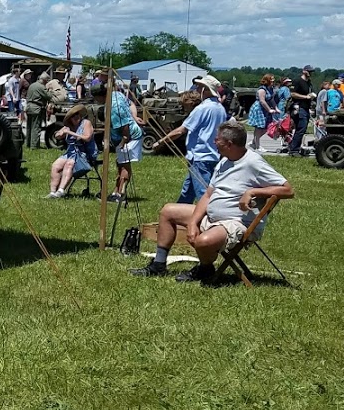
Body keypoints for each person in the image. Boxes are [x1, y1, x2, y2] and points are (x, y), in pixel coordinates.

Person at [131, 122, 294, 284]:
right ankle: (158, 265)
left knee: (202, 242)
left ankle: (205, 269)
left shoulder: (253, 163)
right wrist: (193, 223)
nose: (214, 142)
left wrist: (252, 192)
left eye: (217, 139)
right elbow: (208, 195)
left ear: (229, 144)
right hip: (212, 217)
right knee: (168, 211)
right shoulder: (224, 161)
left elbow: (288, 190)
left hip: (236, 223)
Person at [155, 74, 228, 204]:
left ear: (206, 90)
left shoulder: (202, 108)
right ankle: (178, 213)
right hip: (213, 156)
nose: (197, 89)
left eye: (200, 87)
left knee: (203, 195)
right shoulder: (220, 108)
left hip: (200, 157)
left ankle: (207, 216)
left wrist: (161, 141)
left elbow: (181, 130)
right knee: (187, 192)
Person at [48, 104, 96, 197]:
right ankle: (52, 192)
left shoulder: (86, 123)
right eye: (73, 116)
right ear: (70, 119)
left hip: (84, 153)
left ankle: (61, 191)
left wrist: (70, 133)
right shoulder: (68, 126)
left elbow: (87, 138)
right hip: (70, 153)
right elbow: (57, 135)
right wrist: (60, 134)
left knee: (69, 164)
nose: (76, 117)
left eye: (77, 114)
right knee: (55, 166)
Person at [108, 82, 144, 202]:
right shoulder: (118, 94)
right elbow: (131, 103)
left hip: (130, 137)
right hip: (124, 137)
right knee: (120, 163)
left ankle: (121, 194)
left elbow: (125, 128)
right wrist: (134, 116)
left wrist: (124, 141)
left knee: (124, 165)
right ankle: (116, 191)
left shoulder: (115, 105)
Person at [246, 74, 278, 150]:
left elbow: (271, 99)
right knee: (259, 127)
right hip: (259, 109)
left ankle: (254, 142)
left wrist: (276, 108)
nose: (273, 81)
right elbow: (262, 101)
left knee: (267, 127)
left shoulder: (271, 89)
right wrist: (269, 110)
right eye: (271, 79)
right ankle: (257, 146)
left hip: (265, 109)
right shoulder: (262, 90)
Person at [287, 66, 314, 155]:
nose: (310, 73)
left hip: (306, 108)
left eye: (311, 71)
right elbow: (293, 94)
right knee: (300, 128)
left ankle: (295, 147)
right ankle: (294, 149)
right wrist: (305, 97)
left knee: (302, 129)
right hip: (298, 107)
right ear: (304, 71)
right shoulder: (297, 81)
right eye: (309, 71)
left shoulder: (309, 83)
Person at [24, 69, 47, 148]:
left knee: (29, 126)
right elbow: (48, 96)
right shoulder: (41, 87)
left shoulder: (32, 85)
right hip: (36, 108)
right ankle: (34, 146)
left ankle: (28, 143)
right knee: (36, 127)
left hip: (29, 107)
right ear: (44, 80)